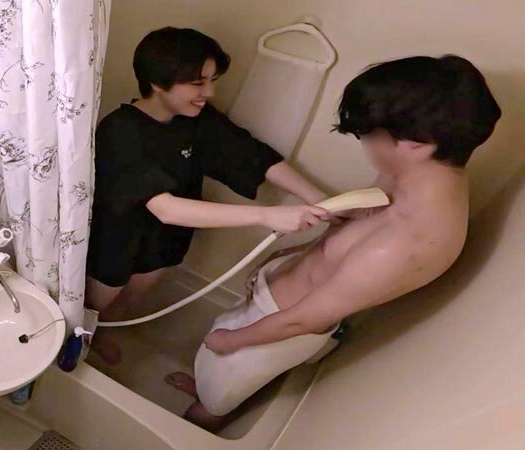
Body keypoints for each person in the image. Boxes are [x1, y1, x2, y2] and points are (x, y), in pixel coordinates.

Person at [164, 55, 502, 431]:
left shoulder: (408, 242)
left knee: (221, 394)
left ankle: (203, 417)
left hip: (279, 327)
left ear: (415, 144)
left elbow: (305, 319)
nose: (365, 144)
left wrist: (232, 342)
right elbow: (344, 236)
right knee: (216, 364)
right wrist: (284, 258)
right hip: (272, 306)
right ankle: (206, 383)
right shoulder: (411, 173)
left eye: (369, 135)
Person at [86, 28, 333, 363]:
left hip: (164, 239)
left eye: (212, 81)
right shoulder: (120, 130)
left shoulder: (197, 120)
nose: (210, 92)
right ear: (158, 82)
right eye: (198, 83)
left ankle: (105, 333)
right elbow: (166, 208)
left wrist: (321, 200)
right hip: (117, 238)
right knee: (97, 303)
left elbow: (251, 155)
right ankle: (80, 341)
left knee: (134, 297)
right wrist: (267, 215)